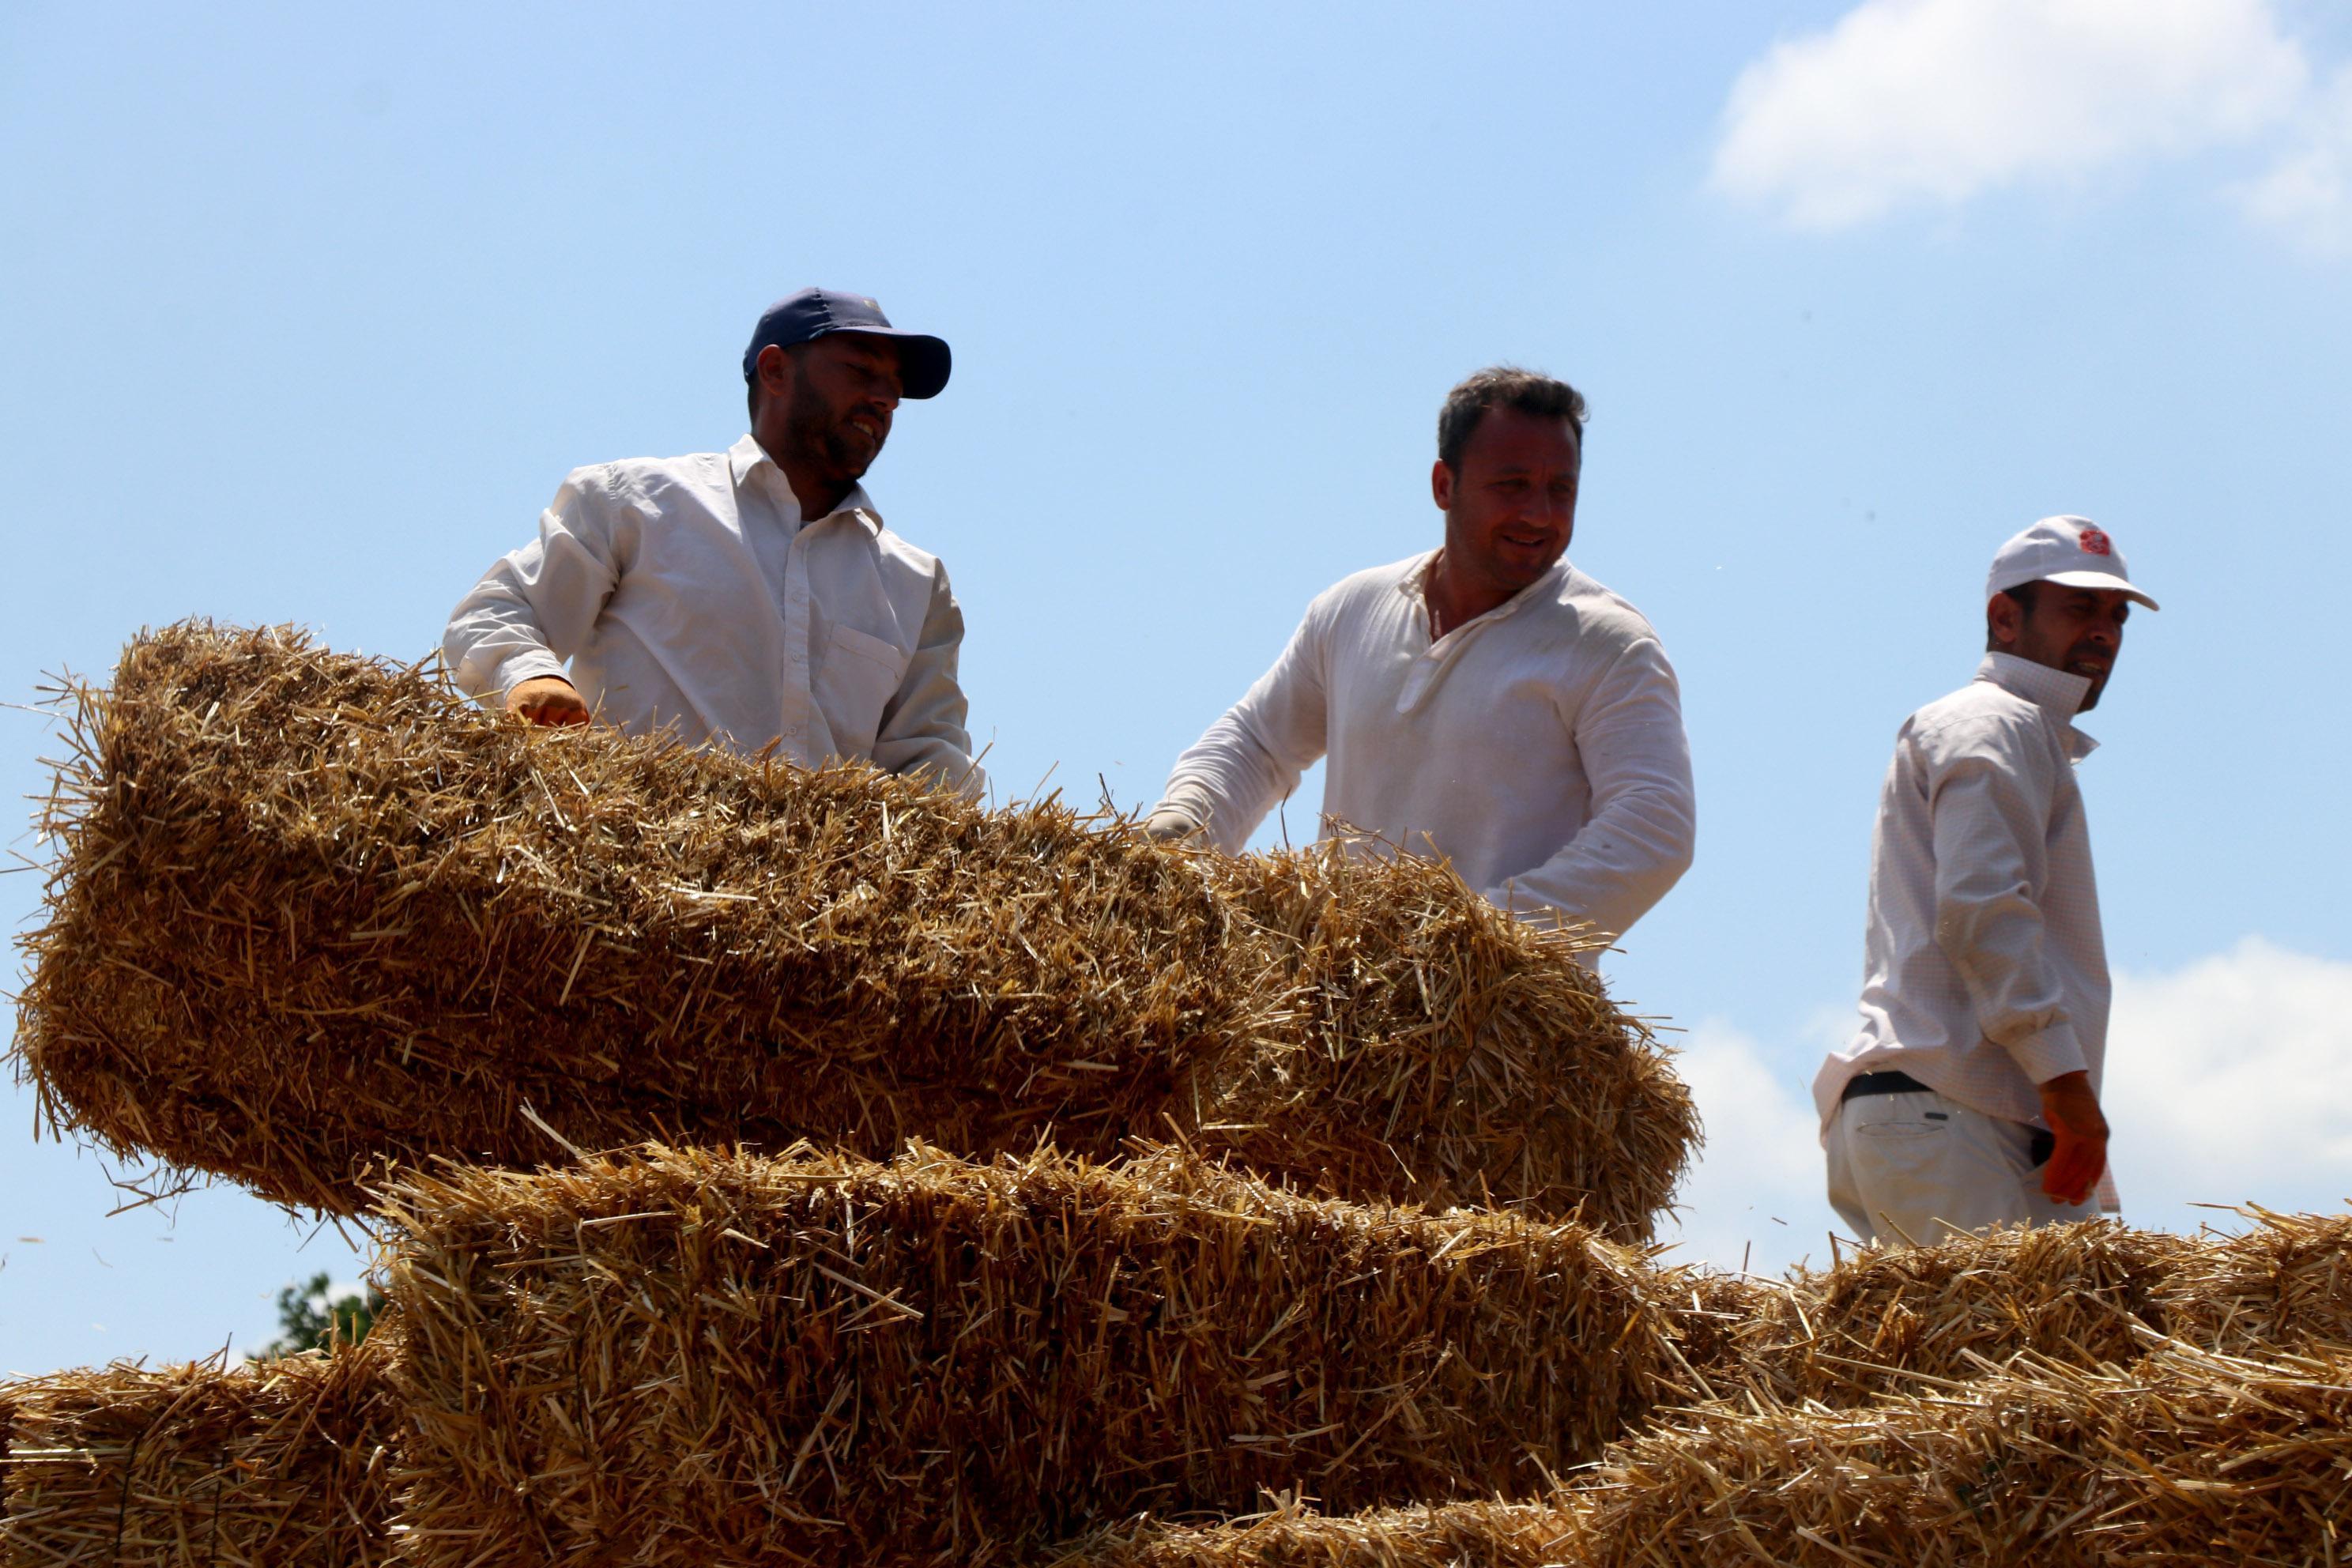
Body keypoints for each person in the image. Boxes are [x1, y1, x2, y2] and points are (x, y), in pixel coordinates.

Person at [1145, 366, 1696, 956]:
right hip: (1331, 995)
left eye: (1561, 489)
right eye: (1512, 485)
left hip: (1496, 1008)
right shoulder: (1352, 610)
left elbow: (1654, 823)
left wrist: (1484, 941)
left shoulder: (1609, 644)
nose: (1540, 514)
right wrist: (1184, 828)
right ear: (1444, 485)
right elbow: (1258, 743)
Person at [443, 287, 983, 797]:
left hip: (819, 869)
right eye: (860, 370)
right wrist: (530, 675)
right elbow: (494, 612)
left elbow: (932, 758)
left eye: (895, 388)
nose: (886, 399)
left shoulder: (916, 584)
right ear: (775, 371)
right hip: (633, 847)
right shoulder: (634, 502)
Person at [1814, 516, 2158, 1247]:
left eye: (2117, 616)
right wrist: (2065, 1086)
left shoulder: (2010, 727)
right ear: (2005, 617)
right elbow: (1983, 908)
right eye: (2080, 607)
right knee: (2013, 1331)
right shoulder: (1995, 722)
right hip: (1951, 1114)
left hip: (1943, 1115)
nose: (2104, 631)